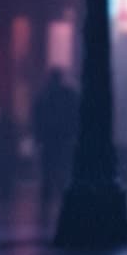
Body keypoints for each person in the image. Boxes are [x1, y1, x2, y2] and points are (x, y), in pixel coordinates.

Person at [32, 67, 80, 211]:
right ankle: (61, 191)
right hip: (64, 136)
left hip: (49, 137)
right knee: (62, 164)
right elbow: (76, 115)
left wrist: (38, 135)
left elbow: (37, 116)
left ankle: (47, 193)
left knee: (48, 165)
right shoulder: (69, 94)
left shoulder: (44, 94)